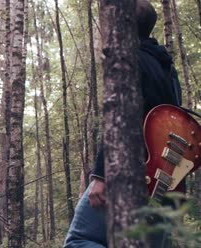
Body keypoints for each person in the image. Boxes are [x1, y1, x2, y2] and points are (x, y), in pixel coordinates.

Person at [63, 0, 182, 247]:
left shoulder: (131, 61)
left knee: (79, 241)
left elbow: (123, 120)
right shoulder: (168, 70)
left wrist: (101, 175)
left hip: (132, 175)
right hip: (168, 183)